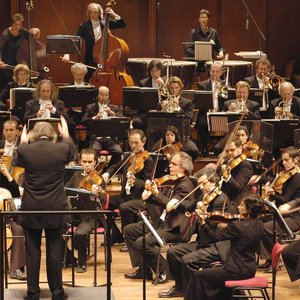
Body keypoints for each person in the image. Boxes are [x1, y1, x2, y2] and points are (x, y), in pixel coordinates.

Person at [16, 117, 75, 300]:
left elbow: (17, 161)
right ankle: (57, 292)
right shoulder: (61, 148)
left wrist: (23, 141)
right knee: (54, 250)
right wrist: (66, 135)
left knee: (32, 252)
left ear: (33, 134)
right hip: (55, 208)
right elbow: (73, 154)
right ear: (53, 134)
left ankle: (33, 293)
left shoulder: (26, 149)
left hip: (31, 208)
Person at [159, 167, 234, 298]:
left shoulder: (221, 200)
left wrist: (202, 218)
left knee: (187, 260)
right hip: (203, 242)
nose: (201, 187)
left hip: (215, 245)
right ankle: (180, 287)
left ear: (214, 182)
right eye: (199, 184)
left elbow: (215, 230)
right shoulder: (205, 196)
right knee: (173, 252)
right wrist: (176, 203)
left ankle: (192, 292)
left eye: (204, 183)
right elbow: (189, 206)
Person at [123, 152, 197, 284]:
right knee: (129, 230)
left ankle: (163, 269)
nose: (170, 165)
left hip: (174, 228)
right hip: (162, 223)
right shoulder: (172, 181)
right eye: (171, 163)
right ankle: (144, 269)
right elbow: (160, 202)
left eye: (174, 164)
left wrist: (156, 193)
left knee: (142, 242)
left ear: (183, 168)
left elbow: (170, 205)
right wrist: (149, 194)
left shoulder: (185, 186)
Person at [184, 194, 265, 300]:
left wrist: (203, 223)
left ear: (249, 209)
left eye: (241, 205)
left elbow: (216, 237)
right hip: (250, 268)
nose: (238, 207)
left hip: (235, 270)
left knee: (198, 276)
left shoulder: (237, 226)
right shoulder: (259, 224)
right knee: (212, 275)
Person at [101, 129, 154, 251]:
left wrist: (135, 181)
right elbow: (115, 167)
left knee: (124, 207)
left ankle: (129, 238)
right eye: (131, 143)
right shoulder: (127, 156)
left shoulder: (148, 160)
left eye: (136, 143)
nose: (133, 146)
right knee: (100, 201)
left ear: (143, 142)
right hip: (124, 195)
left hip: (138, 198)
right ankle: (115, 235)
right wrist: (107, 174)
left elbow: (147, 183)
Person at [65, 148, 107, 273]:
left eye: (90, 162)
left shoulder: (99, 179)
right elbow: (66, 189)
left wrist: (96, 195)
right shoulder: (76, 175)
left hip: (91, 216)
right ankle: (69, 258)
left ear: (95, 162)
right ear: (80, 162)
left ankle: (82, 263)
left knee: (80, 233)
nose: (87, 165)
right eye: (84, 162)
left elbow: (104, 200)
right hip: (75, 214)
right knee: (54, 227)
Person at [259, 146, 300, 270]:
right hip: (284, 214)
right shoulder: (286, 175)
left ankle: (276, 259)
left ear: (296, 159)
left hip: (295, 217)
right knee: (258, 223)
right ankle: (269, 257)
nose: (283, 163)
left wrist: (273, 194)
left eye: (287, 160)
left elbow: (285, 199)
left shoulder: (297, 177)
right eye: (283, 160)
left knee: (266, 228)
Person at [62, 2, 126, 80]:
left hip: (106, 59)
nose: (93, 14)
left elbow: (122, 24)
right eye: (91, 12)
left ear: (99, 12)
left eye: (95, 12)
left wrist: (113, 14)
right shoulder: (84, 26)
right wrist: (67, 54)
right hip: (91, 60)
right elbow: (75, 40)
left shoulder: (105, 22)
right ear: (88, 13)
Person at [81, 85, 123, 172]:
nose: (104, 97)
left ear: (108, 96)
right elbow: (83, 121)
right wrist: (94, 118)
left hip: (110, 139)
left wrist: (112, 113)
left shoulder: (114, 108)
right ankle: (94, 174)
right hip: (96, 138)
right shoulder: (90, 107)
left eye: (106, 95)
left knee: (118, 152)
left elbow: (122, 119)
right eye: (101, 95)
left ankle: (106, 171)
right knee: (93, 152)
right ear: (97, 96)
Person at [0, 153, 26, 281]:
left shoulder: (3, 176)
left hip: (5, 218)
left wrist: (9, 176)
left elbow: (16, 195)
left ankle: (16, 268)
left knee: (19, 230)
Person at [0, 13, 40, 89]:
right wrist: (0, 61)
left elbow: (34, 38)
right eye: (16, 24)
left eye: (20, 24)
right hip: (7, 63)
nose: (18, 27)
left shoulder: (23, 32)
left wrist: (38, 31)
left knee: (17, 84)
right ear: (12, 24)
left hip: (18, 61)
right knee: (7, 84)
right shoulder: (6, 34)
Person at [195, 62, 224, 156]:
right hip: (206, 112)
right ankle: (204, 148)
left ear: (221, 73)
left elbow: (227, 101)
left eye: (217, 72)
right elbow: (199, 102)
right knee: (202, 123)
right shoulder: (202, 85)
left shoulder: (225, 85)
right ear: (209, 72)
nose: (215, 74)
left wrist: (220, 92)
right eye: (212, 71)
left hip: (220, 113)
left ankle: (219, 149)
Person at [220, 137, 253, 208]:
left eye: (232, 150)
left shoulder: (245, 165)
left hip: (236, 201)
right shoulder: (227, 162)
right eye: (227, 151)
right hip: (225, 196)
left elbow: (238, 187)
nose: (229, 153)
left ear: (240, 148)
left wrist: (227, 176)